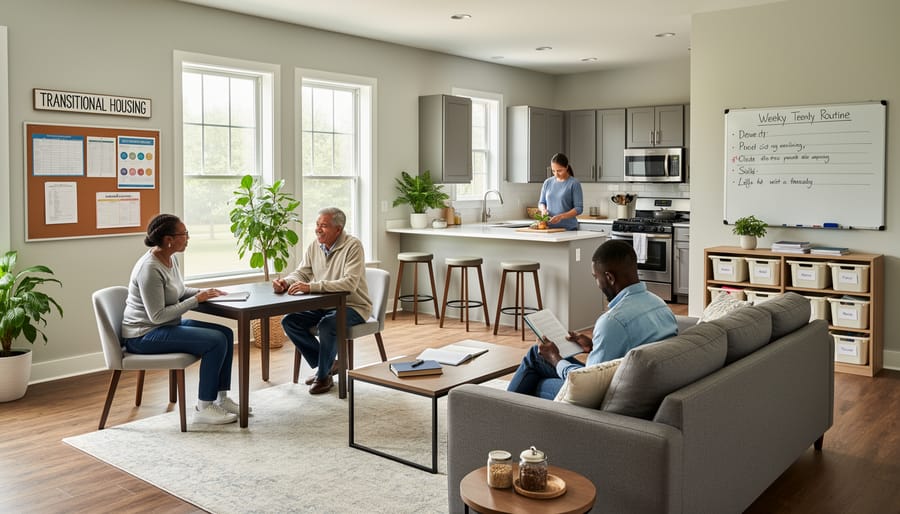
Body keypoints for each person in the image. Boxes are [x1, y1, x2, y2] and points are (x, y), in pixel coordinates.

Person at [507, 239, 677, 399]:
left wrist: (554, 358)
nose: (597, 284)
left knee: (538, 376)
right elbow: (632, 345)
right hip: (635, 386)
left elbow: (587, 385)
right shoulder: (660, 305)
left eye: (596, 277)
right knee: (535, 356)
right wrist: (594, 345)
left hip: (601, 399)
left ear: (609, 278)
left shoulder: (613, 321)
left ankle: (500, 410)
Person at [122, 214, 243, 425]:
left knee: (226, 333)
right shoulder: (149, 269)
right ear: (169, 239)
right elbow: (157, 316)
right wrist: (196, 300)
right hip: (143, 335)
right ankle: (204, 406)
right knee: (215, 341)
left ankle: (222, 399)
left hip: (166, 327)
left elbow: (177, 291)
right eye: (184, 234)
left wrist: (204, 292)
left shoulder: (170, 258)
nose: (188, 238)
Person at [274, 207, 372, 395]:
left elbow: (350, 284)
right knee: (289, 321)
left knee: (328, 324)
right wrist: (285, 282)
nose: (318, 229)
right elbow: (302, 272)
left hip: (353, 306)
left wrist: (311, 287)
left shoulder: (353, 246)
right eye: (317, 225)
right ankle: (327, 366)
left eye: (324, 226)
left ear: (339, 229)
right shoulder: (314, 246)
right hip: (324, 306)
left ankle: (322, 376)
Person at [538, 153, 584, 231]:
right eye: (553, 171)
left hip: (568, 229)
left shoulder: (574, 183)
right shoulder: (547, 182)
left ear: (566, 167)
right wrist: (543, 210)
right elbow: (541, 202)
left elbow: (579, 208)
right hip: (549, 229)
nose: (556, 174)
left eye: (559, 171)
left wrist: (561, 216)